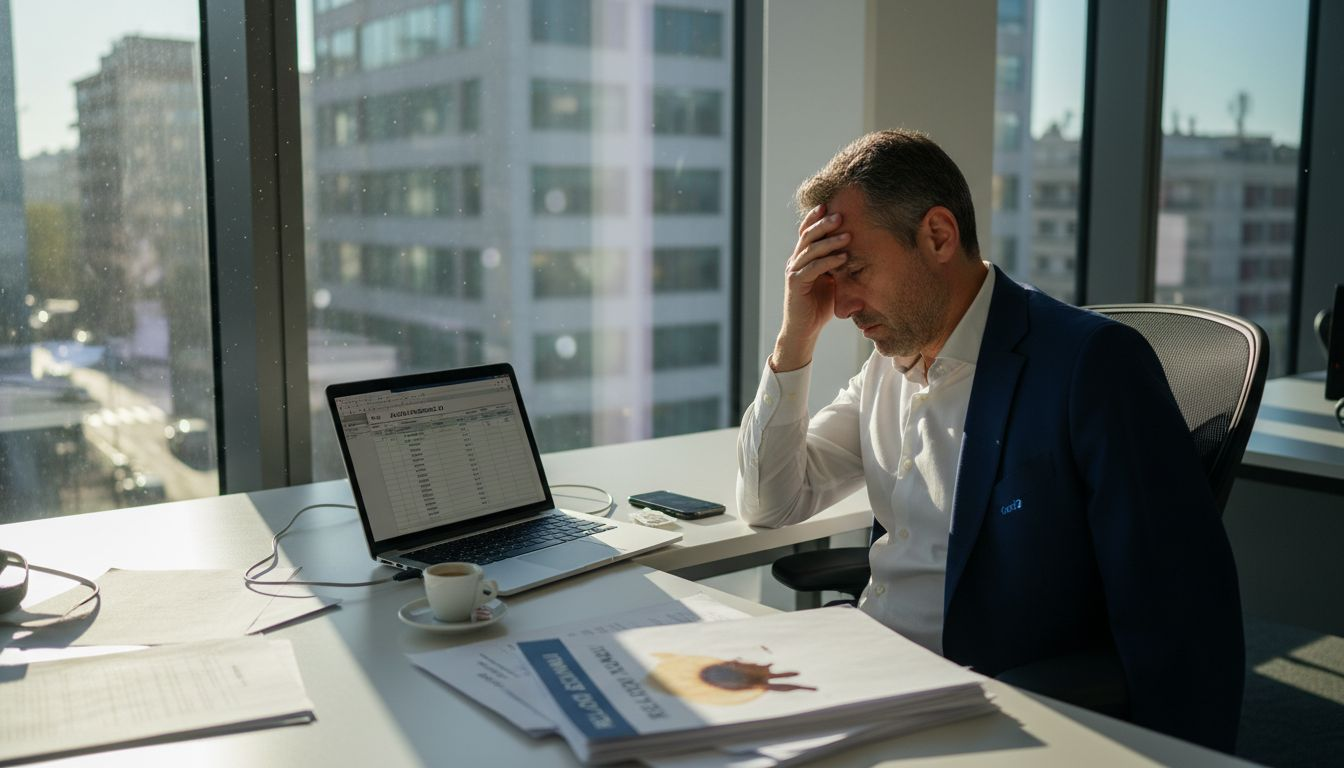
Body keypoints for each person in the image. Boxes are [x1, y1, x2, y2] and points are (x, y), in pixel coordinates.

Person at [737, 129, 1243, 752]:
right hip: (866, 674)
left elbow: (1182, 612)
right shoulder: (885, 369)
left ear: (939, 236)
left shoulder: (1090, 366)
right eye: (829, 280)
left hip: (975, 707)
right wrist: (795, 337)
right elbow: (769, 502)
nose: (840, 305)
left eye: (856, 271)